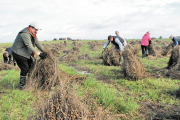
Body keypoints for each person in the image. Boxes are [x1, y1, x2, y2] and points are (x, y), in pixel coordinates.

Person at [12, 22, 47, 90]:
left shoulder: (33, 34)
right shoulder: (25, 33)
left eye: (37, 30)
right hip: (18, 52)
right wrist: (39, 54)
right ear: (31, 27)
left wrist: (45, 51)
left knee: (32, 66)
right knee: (25, 68)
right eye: (36, 29)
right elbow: (29, 46)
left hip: (25, 52)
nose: (36, 31)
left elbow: (37, 43)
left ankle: (30, 82)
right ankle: (22, 87)